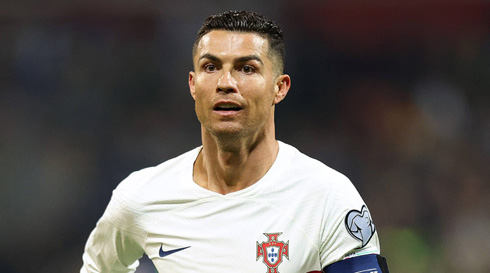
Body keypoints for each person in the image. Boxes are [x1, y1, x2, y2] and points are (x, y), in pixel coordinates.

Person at [81, 10, 389, 273]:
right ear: (192, 84)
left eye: (247, 68)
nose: (226, 83)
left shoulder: (327, 198)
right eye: (211, 67)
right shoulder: (141, 197)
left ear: (279, 88)